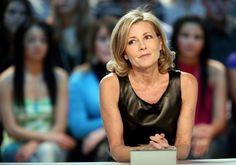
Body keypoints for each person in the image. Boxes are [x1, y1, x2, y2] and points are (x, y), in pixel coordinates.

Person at [100, 8, 198, 162]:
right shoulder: (111, 84)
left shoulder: (187, 83)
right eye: (132, 41)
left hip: (170, 163)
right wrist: (147, 151)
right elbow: (117, 150)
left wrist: (167, 151)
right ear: (124, 52)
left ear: (160, 42)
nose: (142, 46)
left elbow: (183, 148)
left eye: (147, 37)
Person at [0, 21, 76, 162]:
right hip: (15, 144)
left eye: (43, 40)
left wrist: (34, 144)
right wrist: (41, 140)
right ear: (21, 43)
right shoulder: (6, 79)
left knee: (46, 151)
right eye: (31, 40)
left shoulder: (60, 77)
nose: (38, 45)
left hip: (52, 142)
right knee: (41, 154)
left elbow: (60, 125)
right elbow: (11, 129)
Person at [171, 16, 227, 158]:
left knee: (201, 154)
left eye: (197, 37)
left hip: (207, 134)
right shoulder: (163, 69)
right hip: (172, 135)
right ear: (175, 38)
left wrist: (207, 134)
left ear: (205, 41)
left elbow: (220, 119)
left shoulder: (216, 69)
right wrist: (188, 134)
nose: (191, 41)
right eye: (185, 35)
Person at [68, 16, 117, 162]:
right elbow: (78, 127)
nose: (108, 44)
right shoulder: (79, 78)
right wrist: (113, 124)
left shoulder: (134, 74)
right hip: (90, 146)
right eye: (102, 39)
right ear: (92, 44)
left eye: (113, 39)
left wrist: (103, 131)